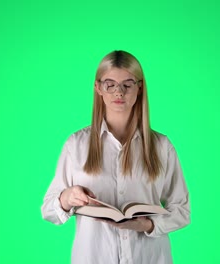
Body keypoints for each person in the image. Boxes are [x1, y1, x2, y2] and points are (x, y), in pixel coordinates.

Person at [41, 50, 190, 263]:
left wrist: (148, 225)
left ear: (139, 87)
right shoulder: (76, 144)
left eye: (127, 84)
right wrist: (67, 198)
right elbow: (48, 210)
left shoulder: (161, 146)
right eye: (110, 84)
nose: (118, 93)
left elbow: (182, 210)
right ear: (98, 88)